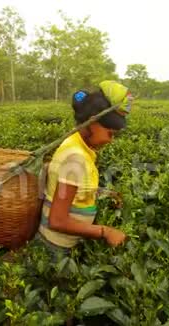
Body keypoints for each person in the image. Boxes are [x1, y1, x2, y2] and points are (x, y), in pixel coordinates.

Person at [33, 80, 134, 260]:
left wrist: (104, 192)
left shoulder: (79, 146)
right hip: (57, 248)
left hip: (63, 244)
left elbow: (73, 190)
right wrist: (105, 232)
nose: (111, 140)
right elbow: (57, 220)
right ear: (91, 123)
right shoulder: (76, 157)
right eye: (110, 133)